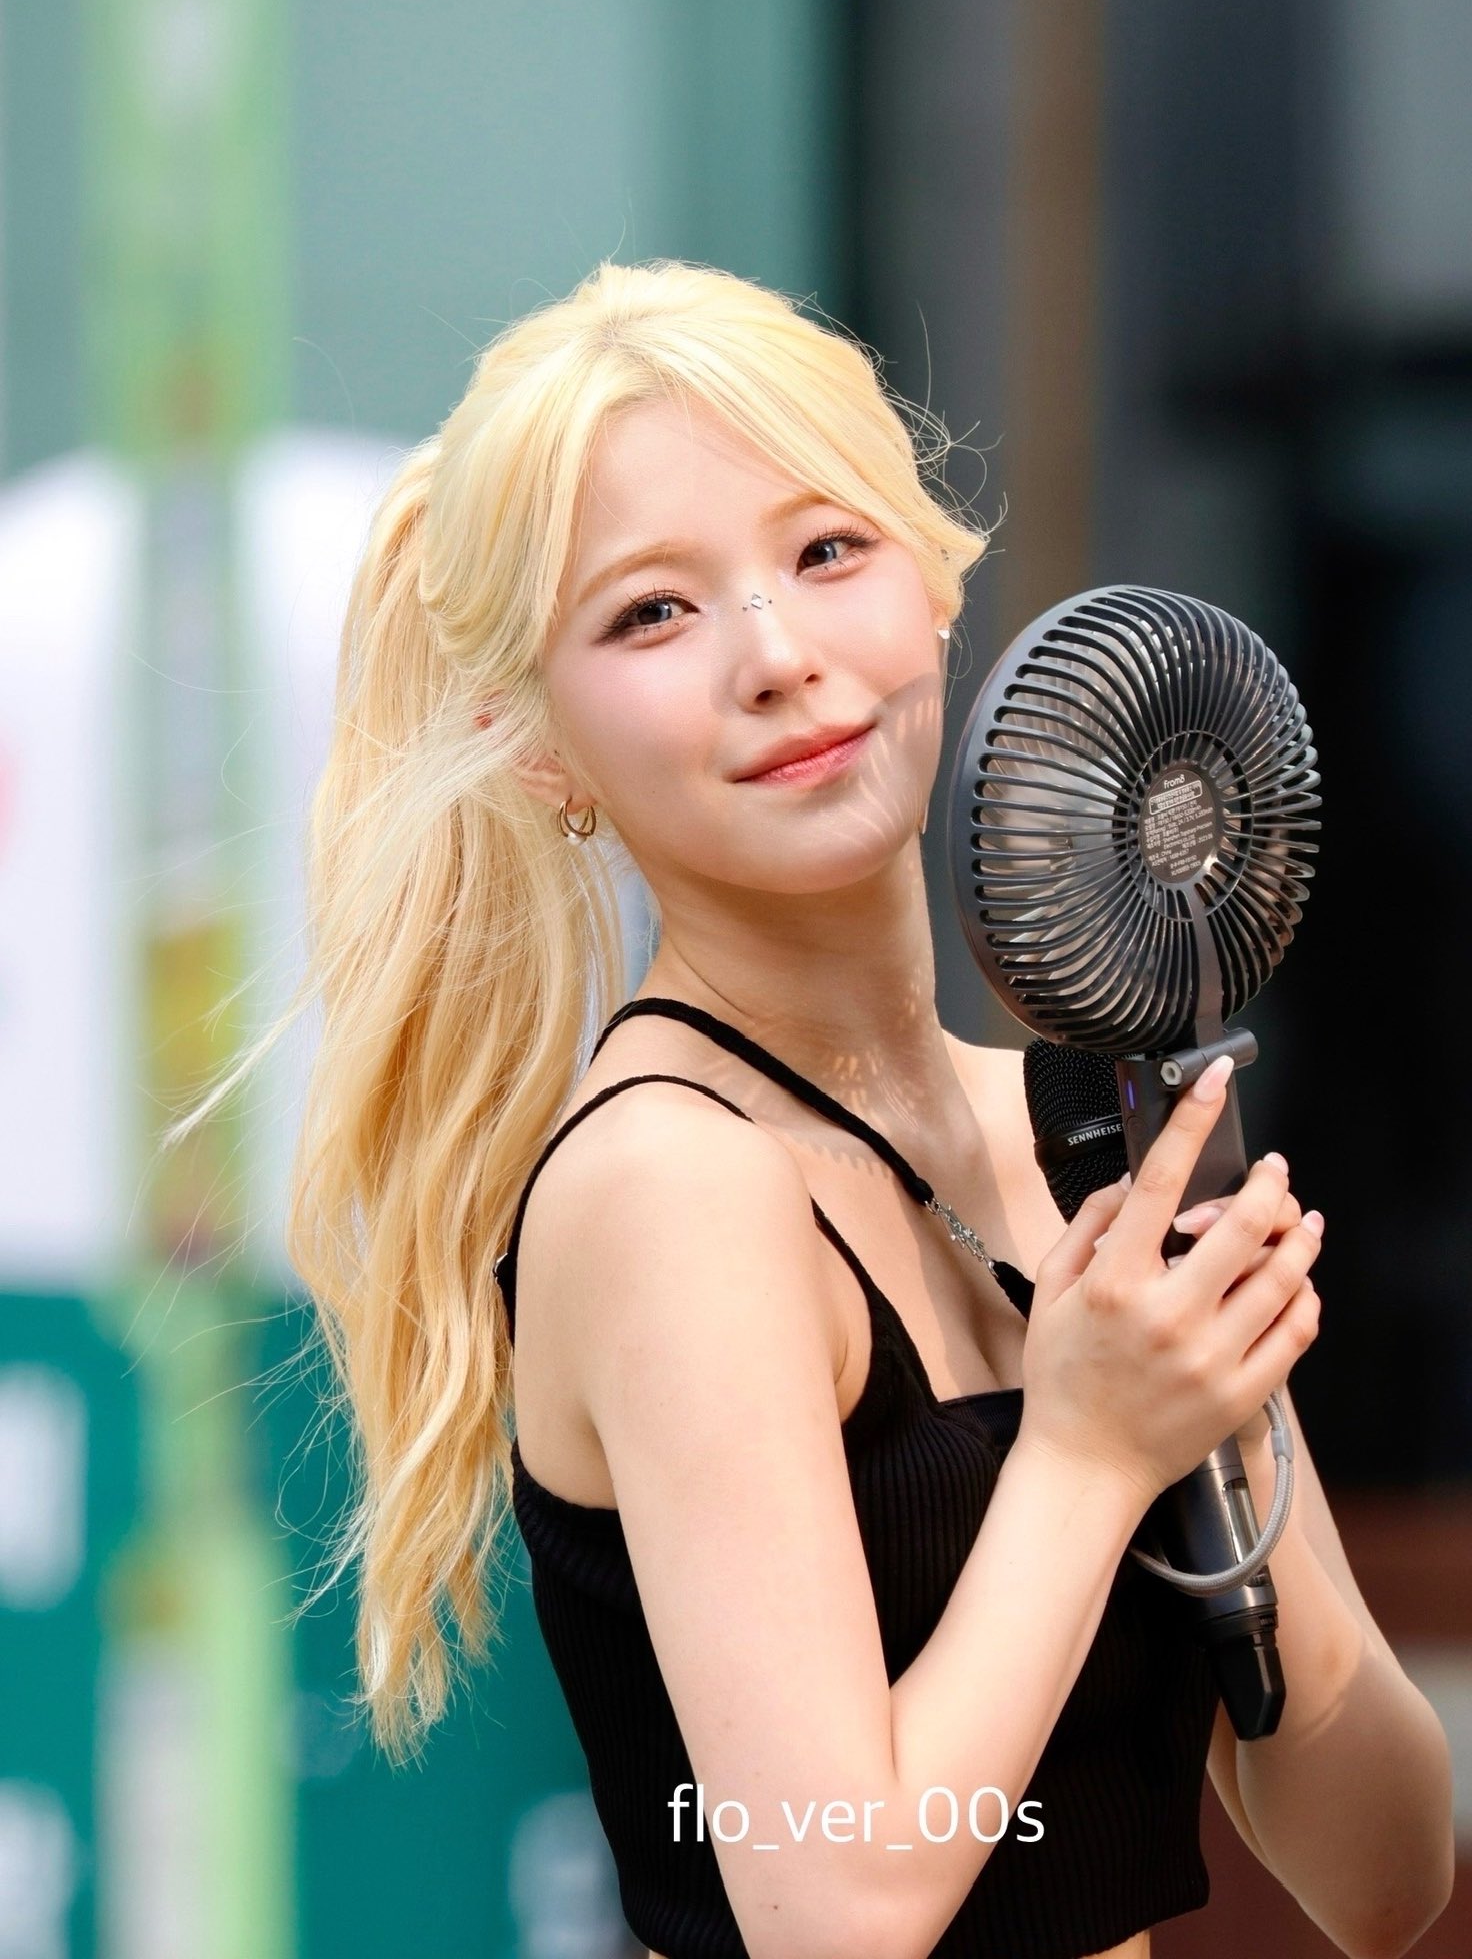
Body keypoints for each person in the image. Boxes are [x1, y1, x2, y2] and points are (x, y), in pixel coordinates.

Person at [200, 260, 1453, 1959]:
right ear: (539, 746)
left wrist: (1216, 1428)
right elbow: (836, 1908)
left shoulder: (1077, 1142)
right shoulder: (671, 1186)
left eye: (827, 551)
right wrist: (1090, 1451)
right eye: (653, 613)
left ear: (932, 586)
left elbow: (1384, 1879)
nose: (778, 657)